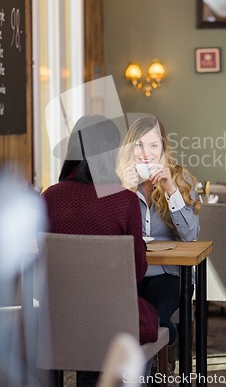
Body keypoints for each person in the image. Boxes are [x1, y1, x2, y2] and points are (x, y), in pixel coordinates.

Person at [42, 114, 158, 387]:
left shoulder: (48, 197)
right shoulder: (123, 200)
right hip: (114, 323)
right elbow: (137, 272)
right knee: (162, 321)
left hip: (59, 322)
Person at [117, 115, 200, 369]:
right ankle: (167, 338)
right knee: (127, 321)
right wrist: (126, 194)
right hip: (128, 274)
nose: (146, 154)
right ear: (130, 148)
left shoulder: (181, 179)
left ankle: (144, 368)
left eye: (154, 145)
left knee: (147, 320)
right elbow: (111, 235)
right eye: (139, 145)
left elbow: (191, 236)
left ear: (164, 148)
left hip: (168, 274)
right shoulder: (116, 182)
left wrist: (171, 190)